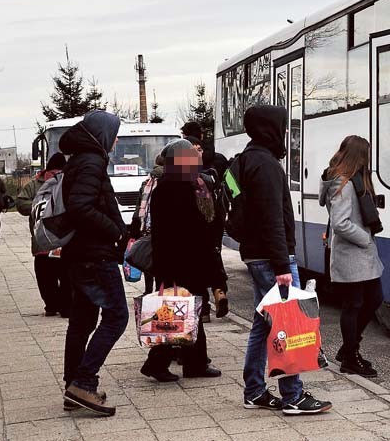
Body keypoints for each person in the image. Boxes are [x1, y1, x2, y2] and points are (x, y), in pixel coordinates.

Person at [239, 104, 332, 415]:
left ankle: (254, 390)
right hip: (270, 258)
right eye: (281, 125)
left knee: (263, 324)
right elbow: (271, 219)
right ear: (270, 128)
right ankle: (292, 395)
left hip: (257, 254)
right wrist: (282, 265)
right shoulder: (265, 164)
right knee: (287, 325)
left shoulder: (247, 159)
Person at [60, 110, 128, 417]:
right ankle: (83, 382)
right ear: (102, 135)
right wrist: (114, 230)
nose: (115, 141)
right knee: (116, 317)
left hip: (80, 254)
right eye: (113, 134)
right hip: (94, 255)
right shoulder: (91, 161)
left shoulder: (81, 158)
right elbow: (80, 206)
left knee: (83, 320)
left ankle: (72, 386)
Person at [141, 140, 223, 382]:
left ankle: (183, 362)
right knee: (180, 313)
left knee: (182, 313)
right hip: (182, 261)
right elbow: (185, 229)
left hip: (179, 261)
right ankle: (183, 364)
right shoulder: (176, 189)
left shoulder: (173, 186)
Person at [319, 136, 384, 378]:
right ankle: (350, 357)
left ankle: (349, 349)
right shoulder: (344, 185)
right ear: (359, 156)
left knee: (372, 298)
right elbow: (341, 223)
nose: (368, 160)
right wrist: (365, 238)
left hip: (360, 256)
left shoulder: (351, 182)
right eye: (366, 155)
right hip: (352, 254)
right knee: (354, 304)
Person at [17, 153, 71, 317]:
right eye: (53, 173)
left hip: (62, 239)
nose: (55, 176)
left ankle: (64, 305)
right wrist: (40, 206)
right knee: (48, 276)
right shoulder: (34, 185)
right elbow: (21, 203)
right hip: (43, 238)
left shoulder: (68, 183)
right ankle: (52, 304)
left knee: (64, 274)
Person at [183, 135, 229, 322]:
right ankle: (219, 292)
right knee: (213, 258)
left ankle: (203, 309)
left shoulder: (189, 178)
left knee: (196, 268)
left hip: (198, 230)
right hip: (213, 225)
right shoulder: (213, 173)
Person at [129, 154, 164, 294]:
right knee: (162, 263)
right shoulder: (171, 180)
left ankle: (148, 291)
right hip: (162, 229)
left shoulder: (147, 182)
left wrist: (134, 230)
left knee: (147, 258)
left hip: (147, 228)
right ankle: (159, 290)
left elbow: (139, 207)